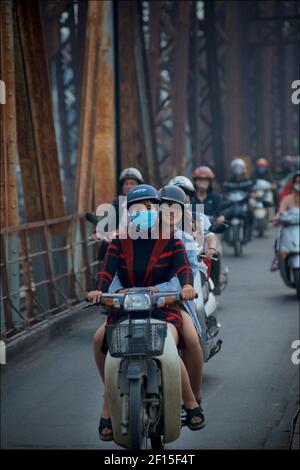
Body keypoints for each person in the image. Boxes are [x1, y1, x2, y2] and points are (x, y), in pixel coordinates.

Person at [88, 185, 205, 441]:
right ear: (130, 212)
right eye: (139, 207)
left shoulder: (171, 238)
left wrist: (186, 286)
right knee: (99, 340)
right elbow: (107, 272)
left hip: (164, 306)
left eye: (151, 206)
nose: (146, 211)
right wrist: (99, 291)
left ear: (158, 209)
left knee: (170, 346)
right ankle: (107, 406)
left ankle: (191, 402)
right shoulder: (120, 240)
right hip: (127, 306)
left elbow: (183, 267)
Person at [87, 168, 144, 259]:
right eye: (126, 184)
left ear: (139, 186)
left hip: (139, 246)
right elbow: (108, 218)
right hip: (119, 247)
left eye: (132, 183)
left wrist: (119, 232)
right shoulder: (118, 203)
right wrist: (98, 232)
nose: (129, 186)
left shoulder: (145, 204)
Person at [270, 171, 300, 271]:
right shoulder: (287, 199)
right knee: (279, 233)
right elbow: (281, 211)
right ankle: (276, 259)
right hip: (290, 225)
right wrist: (277, 217)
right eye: (297, 182)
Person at [223, 158, 254, 242]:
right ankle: (225, 235)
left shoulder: (247, 180)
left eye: (240, 167)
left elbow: (250, 191)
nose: (238, 169)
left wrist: (249, 194)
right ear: (232, 169)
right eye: (235, 167)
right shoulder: (228, 180)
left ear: (243, 168)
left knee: (250, 212)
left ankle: (248, 233)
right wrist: (225, 196)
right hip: (231, 203)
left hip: (243, 203)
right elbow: (224, 191)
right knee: (224, 215)